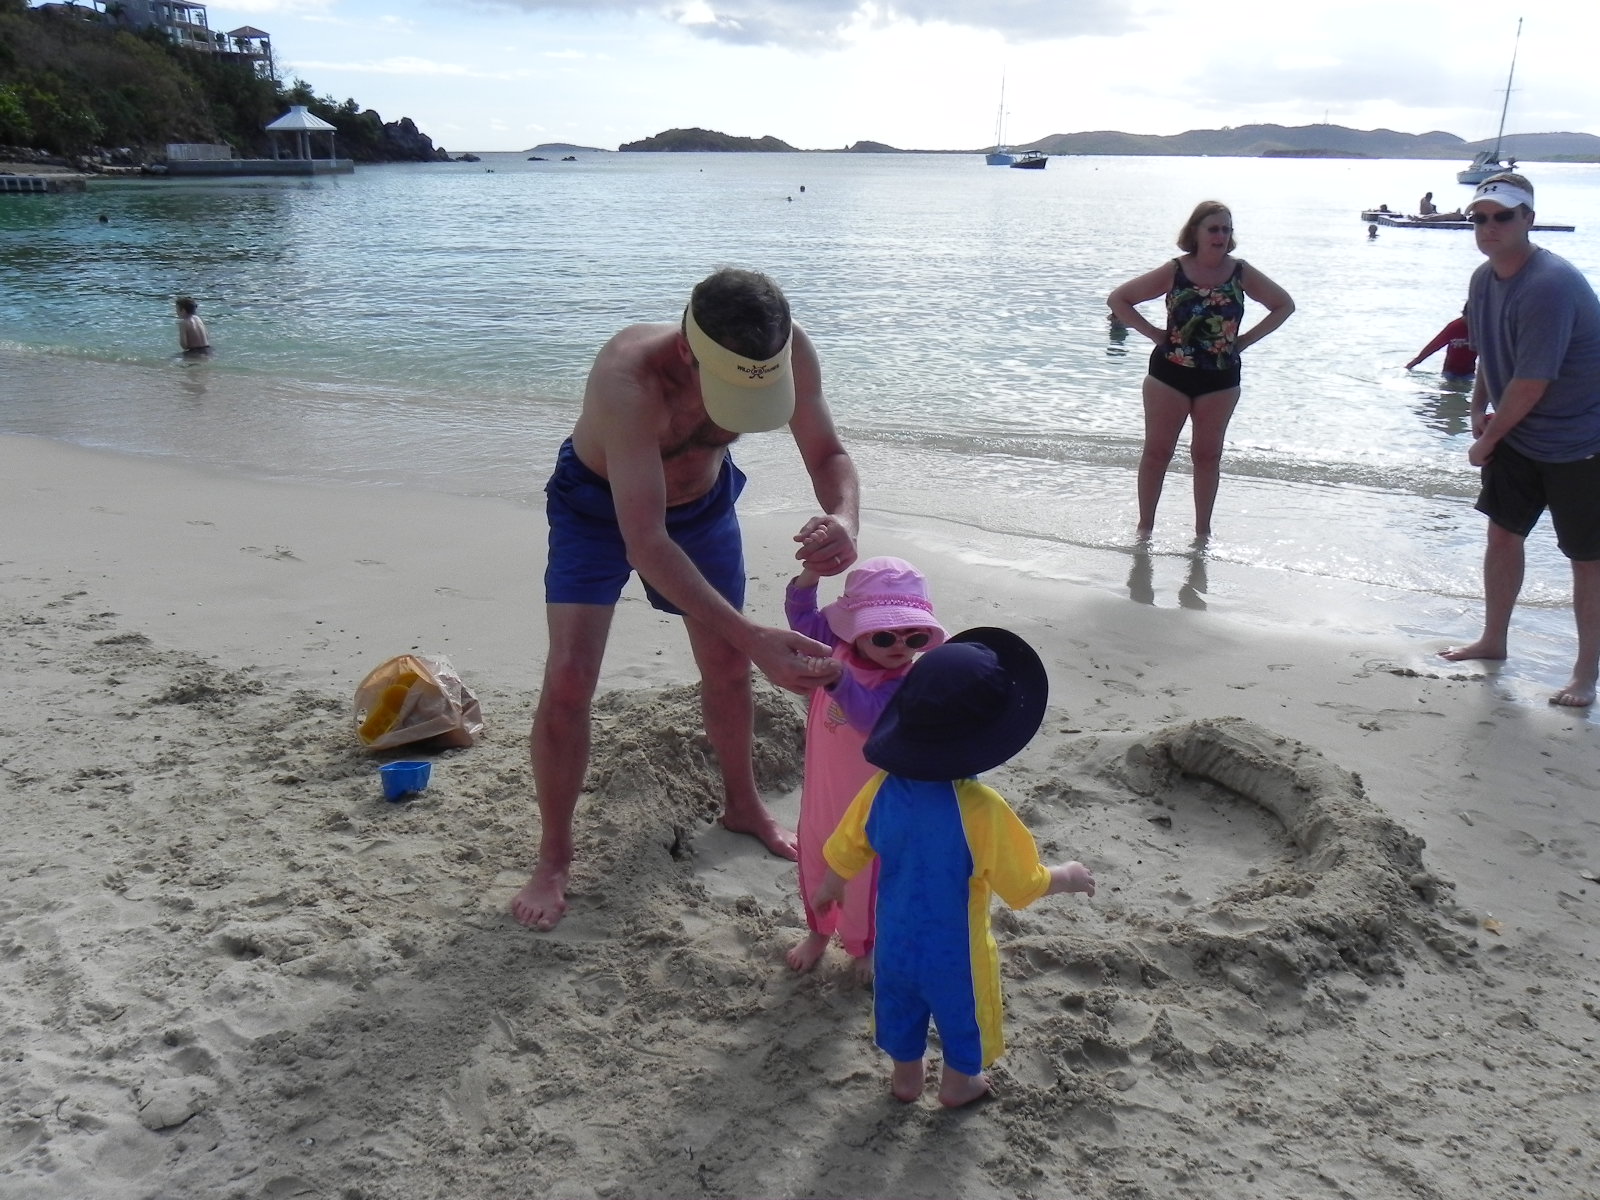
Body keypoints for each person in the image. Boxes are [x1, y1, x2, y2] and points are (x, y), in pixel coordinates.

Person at [513, 267, 861, 931]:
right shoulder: (628, 380)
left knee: (727, 667)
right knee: (570, 677)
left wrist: (844, 518)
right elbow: (645, 543)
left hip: (703, 505)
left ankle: (743, 806)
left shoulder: (787, 348)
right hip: (596, 509)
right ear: (686, 351)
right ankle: (554, 857)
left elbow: (828, 455)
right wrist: (753, 636)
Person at [813, 627, 1096, 1108]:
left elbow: (849, 843)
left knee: (899, 1007)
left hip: (894, 942)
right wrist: (1065, 876)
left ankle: (906, 1080)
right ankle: (958, 1084)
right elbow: (1021, 884)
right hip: (956, 953)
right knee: (965, 1015)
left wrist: (833, 883)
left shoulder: (883, 788)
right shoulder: (981, 810)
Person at [1439, 174, 1600, 707]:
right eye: (1480, 218)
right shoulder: (1483, 279)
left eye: (1503, 216)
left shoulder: (1549, 284)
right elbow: (1489, 351)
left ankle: (1585, 674)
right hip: (1520, 432)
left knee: (1587, 558)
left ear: (1528, 218)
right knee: (1503, 537)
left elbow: (1532, 381)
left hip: (1582, 440)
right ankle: (1494, 639)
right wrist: (1476, 409)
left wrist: (1487, 441)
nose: (1489, 227)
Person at [783, 555, 947, 977]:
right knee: (815, 861)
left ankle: (864, 947)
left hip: (868, 808)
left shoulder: (905, 682)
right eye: (885, 634)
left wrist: (838, 681)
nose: (899, 646)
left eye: (914, 637)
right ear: (854, 629)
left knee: (863, 879)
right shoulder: (834, 644)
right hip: (821, 795)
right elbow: (801, 615)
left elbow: (869, 717)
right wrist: (812, 570)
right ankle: (819, 932)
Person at [1107, 200, 1295, 541]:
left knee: (1207, 457)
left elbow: (1284, 305)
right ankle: (1145, 529)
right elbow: (1119, 299)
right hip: (1170, 374)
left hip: (1220, 378)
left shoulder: (1240, 272)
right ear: (1196, 232)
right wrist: (1154, 334)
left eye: (1226, 229)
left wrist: (1244, 341)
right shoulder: (1175, 270)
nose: (1220, 236)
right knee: (1157, 453)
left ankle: (1202, 535)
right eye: (1213, 229)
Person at [1406, 305, 1477, 379]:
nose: (1471, 323)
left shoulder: (1480, 329)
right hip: (1449, 372)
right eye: (1469, 319)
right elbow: (1434, 346)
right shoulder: (1454, 327)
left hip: (1470, 372)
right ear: (1464, 314)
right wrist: (1414, 363)